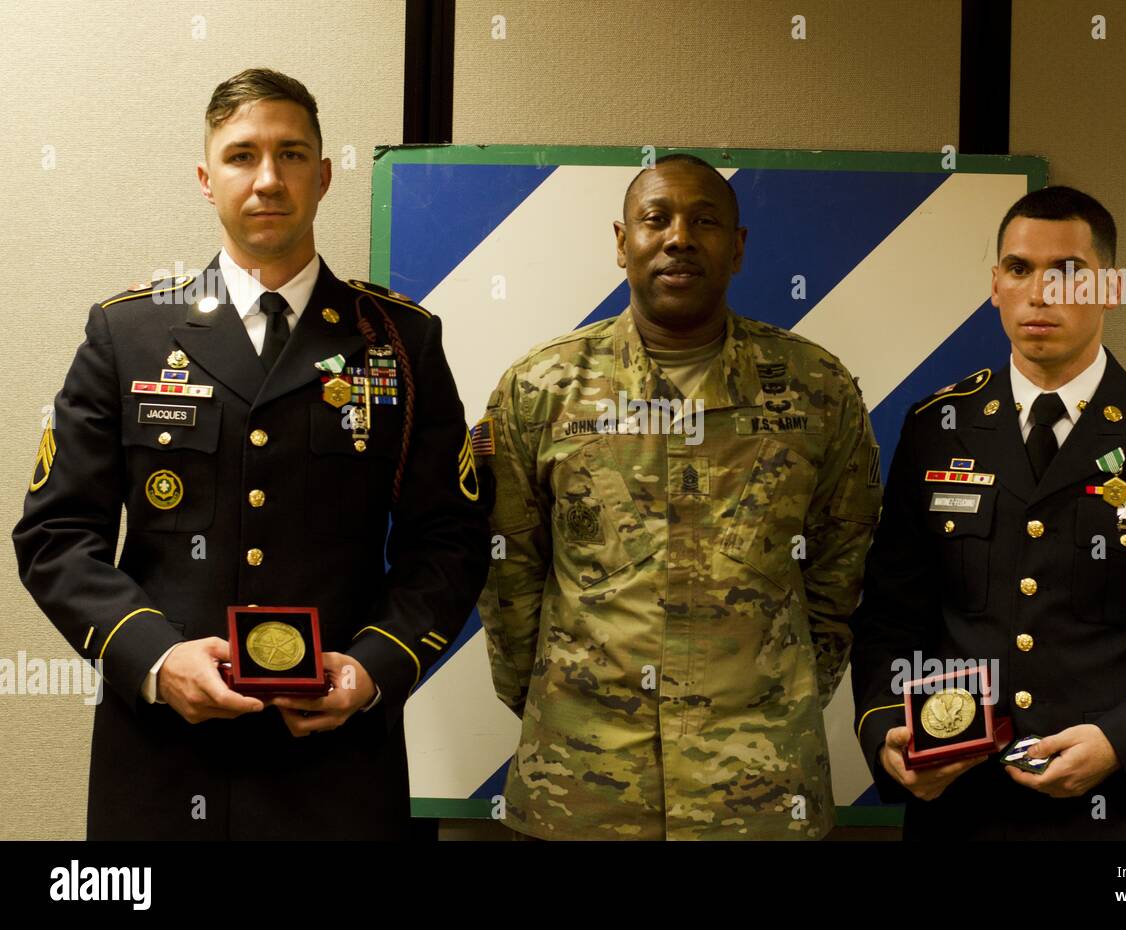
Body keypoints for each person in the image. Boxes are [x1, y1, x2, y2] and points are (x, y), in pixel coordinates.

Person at [12, 68, 492, 839]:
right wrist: (157, 662)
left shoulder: (401, 341)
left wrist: (373, 669)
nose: (267, 179)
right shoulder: (128, 334)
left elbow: (452, 541)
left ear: (325, 174)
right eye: (241, 156)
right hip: (166, 759)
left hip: (338, 768)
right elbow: (56, 536)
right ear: (207, 179)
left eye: (292, 154)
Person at [850, 186, 1126, 839]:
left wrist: (1123, 740)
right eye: (1020, 269)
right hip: (960, 810)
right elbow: (890, 615)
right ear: (996, 285)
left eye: (1068, 273)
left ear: (1110, 288)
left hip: (1113, 817)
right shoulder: (939, 426)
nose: (1040, 293)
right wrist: (885, 724)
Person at [474, 154, 881, 840]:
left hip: (759, 792)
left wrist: (777, 702)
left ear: (739, 247)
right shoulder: (542, 388)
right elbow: (508, 573)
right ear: (621, 241)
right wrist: (557, 704)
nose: (679, 238)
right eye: (655, 219)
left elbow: (841, 571)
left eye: (706, 221)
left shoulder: (815, 389)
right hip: (580, 788)